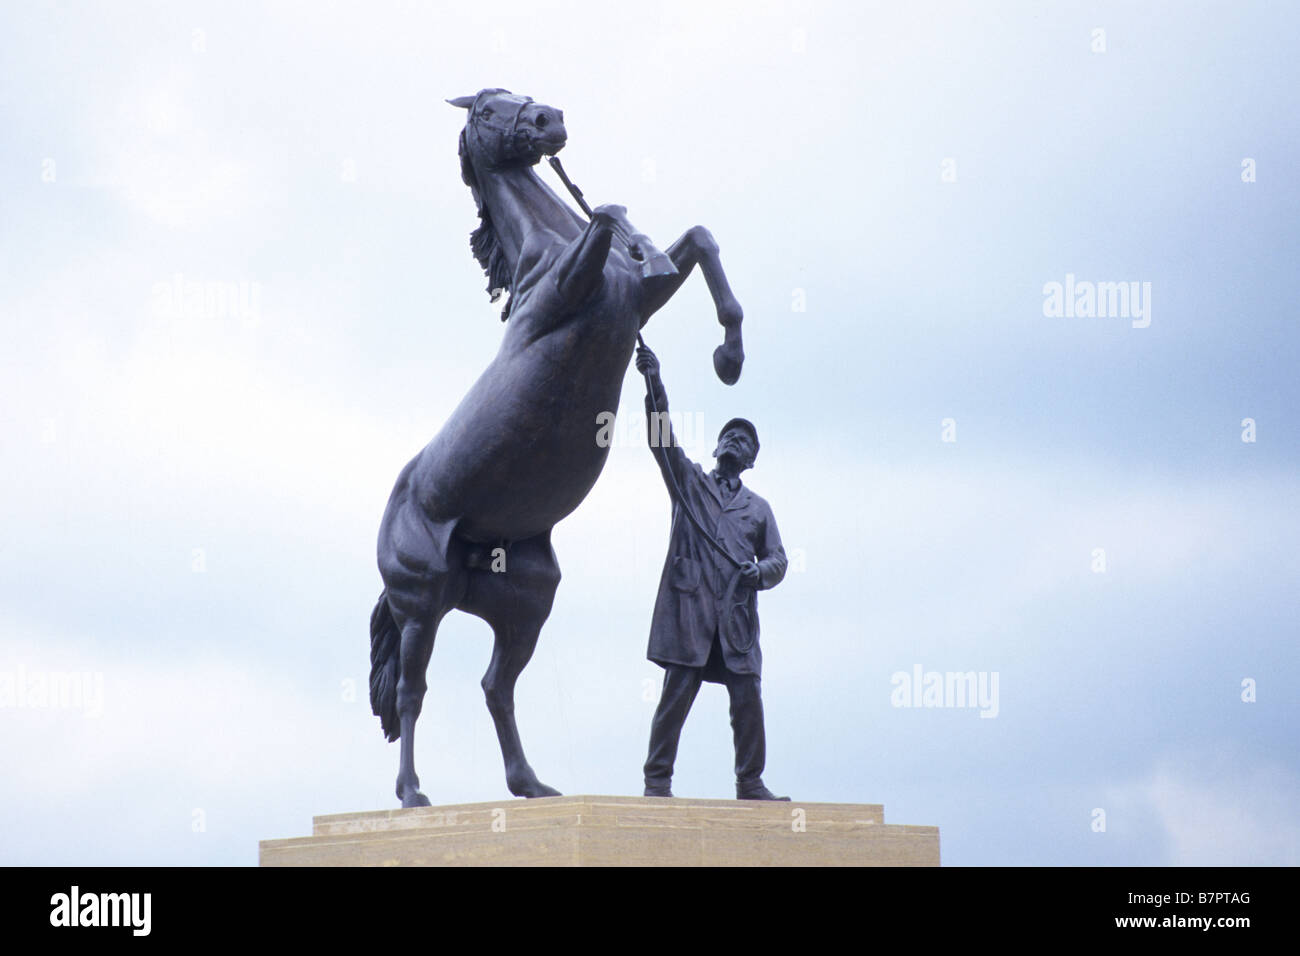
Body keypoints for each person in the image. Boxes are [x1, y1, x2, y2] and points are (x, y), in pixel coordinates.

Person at [635, 343, 790, 800]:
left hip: (736, 618)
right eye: (730, 435)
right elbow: (661, 438)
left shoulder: (759, 510)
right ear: (717, 445)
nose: (735, 441)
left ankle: (751, 781)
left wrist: (758, 571)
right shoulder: (689, 482)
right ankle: (657, 782)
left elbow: (780, 561)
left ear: (752, 460)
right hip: (690, 611)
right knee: (675, 696)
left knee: (748, 700)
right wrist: (654, 382)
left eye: (745, 441)